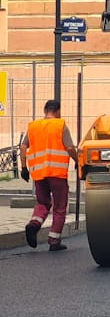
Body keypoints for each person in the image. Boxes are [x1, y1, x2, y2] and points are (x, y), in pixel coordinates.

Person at [19, 99, 78, 252]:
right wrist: (78, 161)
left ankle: (33, 225)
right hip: (57, 173)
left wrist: (24, 167)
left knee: (43, 203)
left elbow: (23, 145)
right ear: (58, 111)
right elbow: (70, 147)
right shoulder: (60, 125)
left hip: (39, 173)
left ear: (45, 111)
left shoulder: (33, 127)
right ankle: (54, 240)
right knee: (59, 206)